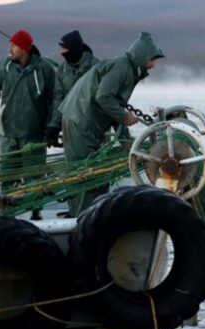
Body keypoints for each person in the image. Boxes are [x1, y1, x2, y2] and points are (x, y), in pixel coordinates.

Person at [59, 32, 164, 217]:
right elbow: (104, 97)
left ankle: (90, 214)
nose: (153, 65)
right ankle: (82, 218)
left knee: (91, 171)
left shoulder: (128, 70)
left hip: (83, 120)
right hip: (80, 120)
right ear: (140, 56)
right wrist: (124, 117)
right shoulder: (122, 68)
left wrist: (126, 143)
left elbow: (115, 103)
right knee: (85, 172)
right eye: (151, 59)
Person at [0, 29, 57, 220]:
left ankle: (35, 211)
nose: (10, 48)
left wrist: (52, 125)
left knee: (34, 176)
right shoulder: (4, 66)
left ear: (24, 48)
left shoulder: (44, 69)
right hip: (7, 133)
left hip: (33, 133)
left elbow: (55, 98)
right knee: (7, 176)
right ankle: (6, 214)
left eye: (14, 45)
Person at [45, 30, 99, 147]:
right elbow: (58, 100)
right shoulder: (62, 69)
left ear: (73, 49)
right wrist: (54, 126)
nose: (61, 53)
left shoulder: (96, 67)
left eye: (64, 49)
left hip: (95, 129)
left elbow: (105, 97)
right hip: (70, 128)